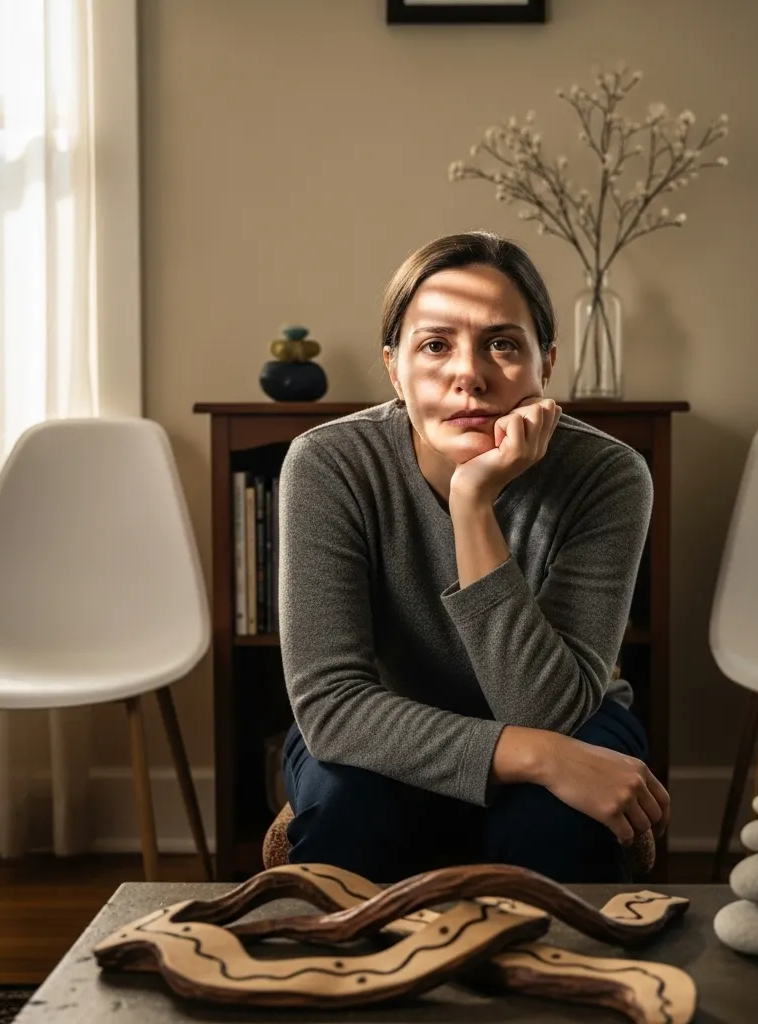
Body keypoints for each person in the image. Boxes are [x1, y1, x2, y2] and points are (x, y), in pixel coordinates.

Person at [277, 230, 669, 884]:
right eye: (435, 345)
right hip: (379, 721)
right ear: (393, 367)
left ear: (545, 365)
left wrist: (472, 504)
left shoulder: (608, 475)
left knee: (559, 831)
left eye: (502, 344)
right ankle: (364, 987)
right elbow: (334, 706)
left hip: (570, 712)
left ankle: (549, 987)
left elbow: (549, 710)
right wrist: (539, 757)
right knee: (352, 819)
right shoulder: (330, 463)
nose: (469, 374)